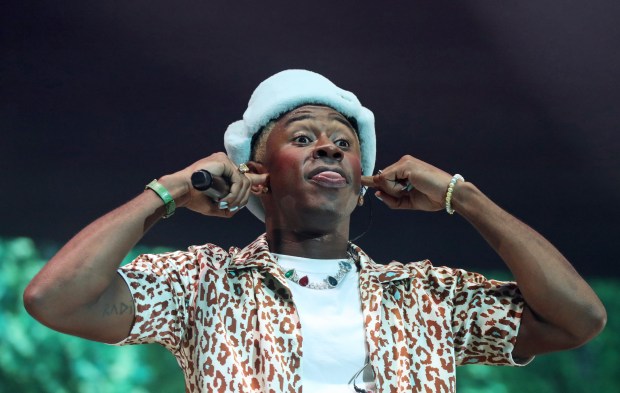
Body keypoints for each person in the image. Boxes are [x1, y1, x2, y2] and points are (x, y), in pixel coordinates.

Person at [24, 69, 606, 393]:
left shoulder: (427, 296)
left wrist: (465, 197)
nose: (327, 144)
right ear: (257, 175)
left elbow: (578, 318)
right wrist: (172, 192)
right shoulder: (203, 283)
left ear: (360, 181)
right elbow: (56, 298)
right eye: (302, 137)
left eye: (343, 142)